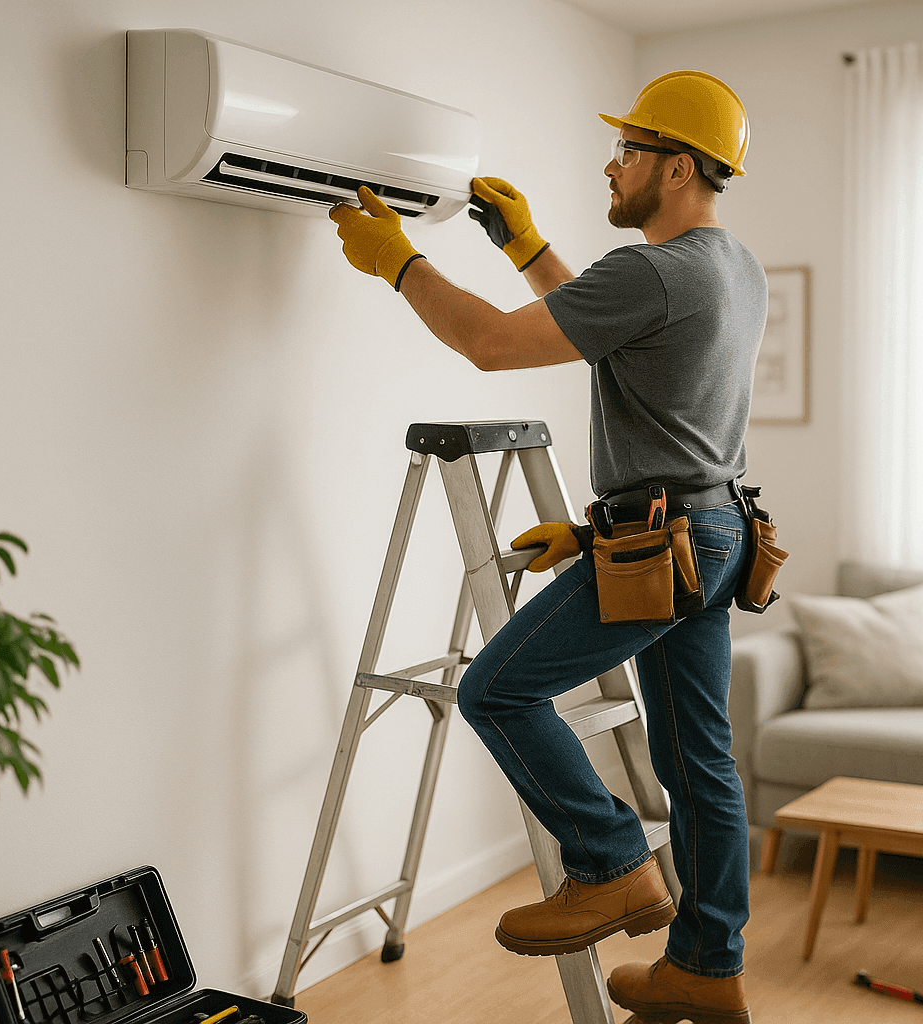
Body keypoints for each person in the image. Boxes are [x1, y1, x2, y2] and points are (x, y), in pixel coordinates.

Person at [330, 70, 766, 1024]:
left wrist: (398, 261)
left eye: (628, 150)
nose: (611, 166)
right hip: (712, 530)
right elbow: (612, 333)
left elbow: (490, 343)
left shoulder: (654, 269)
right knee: (698, 764)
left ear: (678, 167)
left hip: (666, 539)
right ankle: (707, 966)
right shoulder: (731, 266)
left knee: (495, 689)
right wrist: (527, 249)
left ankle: (611, 865)